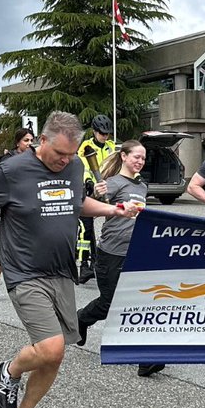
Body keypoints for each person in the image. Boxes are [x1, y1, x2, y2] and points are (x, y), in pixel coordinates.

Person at [0, 111, 140, 408]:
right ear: (42, 142)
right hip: (24, 272)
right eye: (59, 154)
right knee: (50, 347)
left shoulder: (74, 167)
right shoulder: (12, 171)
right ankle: (9, 371)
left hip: (62, 272)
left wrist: (114, 210)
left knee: (55, 355)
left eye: (71, 155)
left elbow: (77, 203)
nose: (64, 161)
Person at [73, 140, 165, 376]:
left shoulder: (142, 186)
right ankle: (81, 319)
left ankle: (146, 359)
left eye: (143, 158)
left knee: (142, 304)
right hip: (110, 254)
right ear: (123, 156)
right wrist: (95, 191)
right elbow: (94, 203)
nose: (140, 162)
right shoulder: (112, 183)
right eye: (136, 157)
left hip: (135, 253)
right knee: (109, 303)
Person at [0, 127, 34, 299]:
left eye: (31, 140)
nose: (29, 144)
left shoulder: (36, 157)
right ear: (17, 142)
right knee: (10, 248)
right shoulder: (8, 160)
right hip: (12, 208)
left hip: (32, 208)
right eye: (26, 140)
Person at [76, 114, 115, 284]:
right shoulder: (86, 146)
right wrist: (89, 182)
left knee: (114, 225)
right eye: (102, 133)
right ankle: (84, 266)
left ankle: (100, 262)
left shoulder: (111, 147)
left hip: (108, 189)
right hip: (89, 190)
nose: (105, 136)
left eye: (107, 133)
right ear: (94, 131)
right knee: (86, 229)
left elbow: (117, 165)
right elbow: (83, 168)